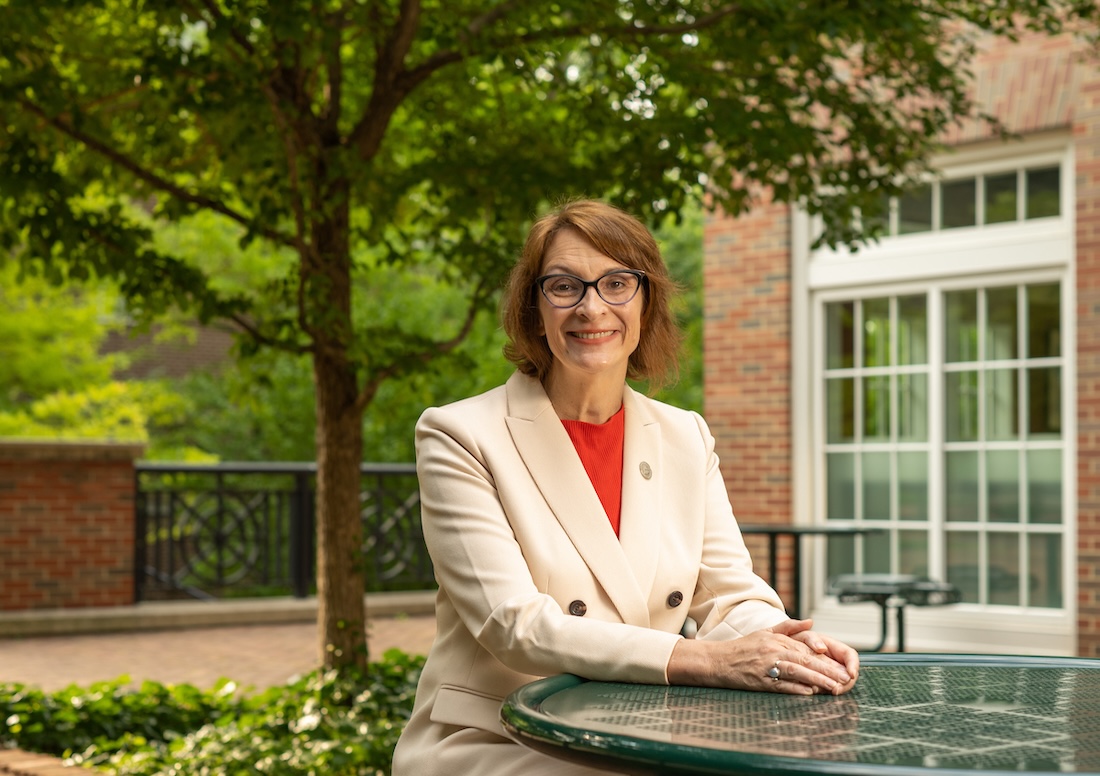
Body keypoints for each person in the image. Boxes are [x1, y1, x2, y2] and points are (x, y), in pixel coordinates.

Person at [391, 199, 860, 776]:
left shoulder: (685, 435)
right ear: (535, 309)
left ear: (646, 303)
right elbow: (515, 627)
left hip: (636, 727)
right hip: (500, 737)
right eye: (565, 286)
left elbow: (729, 595)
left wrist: (785, 648)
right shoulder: (460, 434)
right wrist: (709, 662)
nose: (592, 307)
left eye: (617, 283)